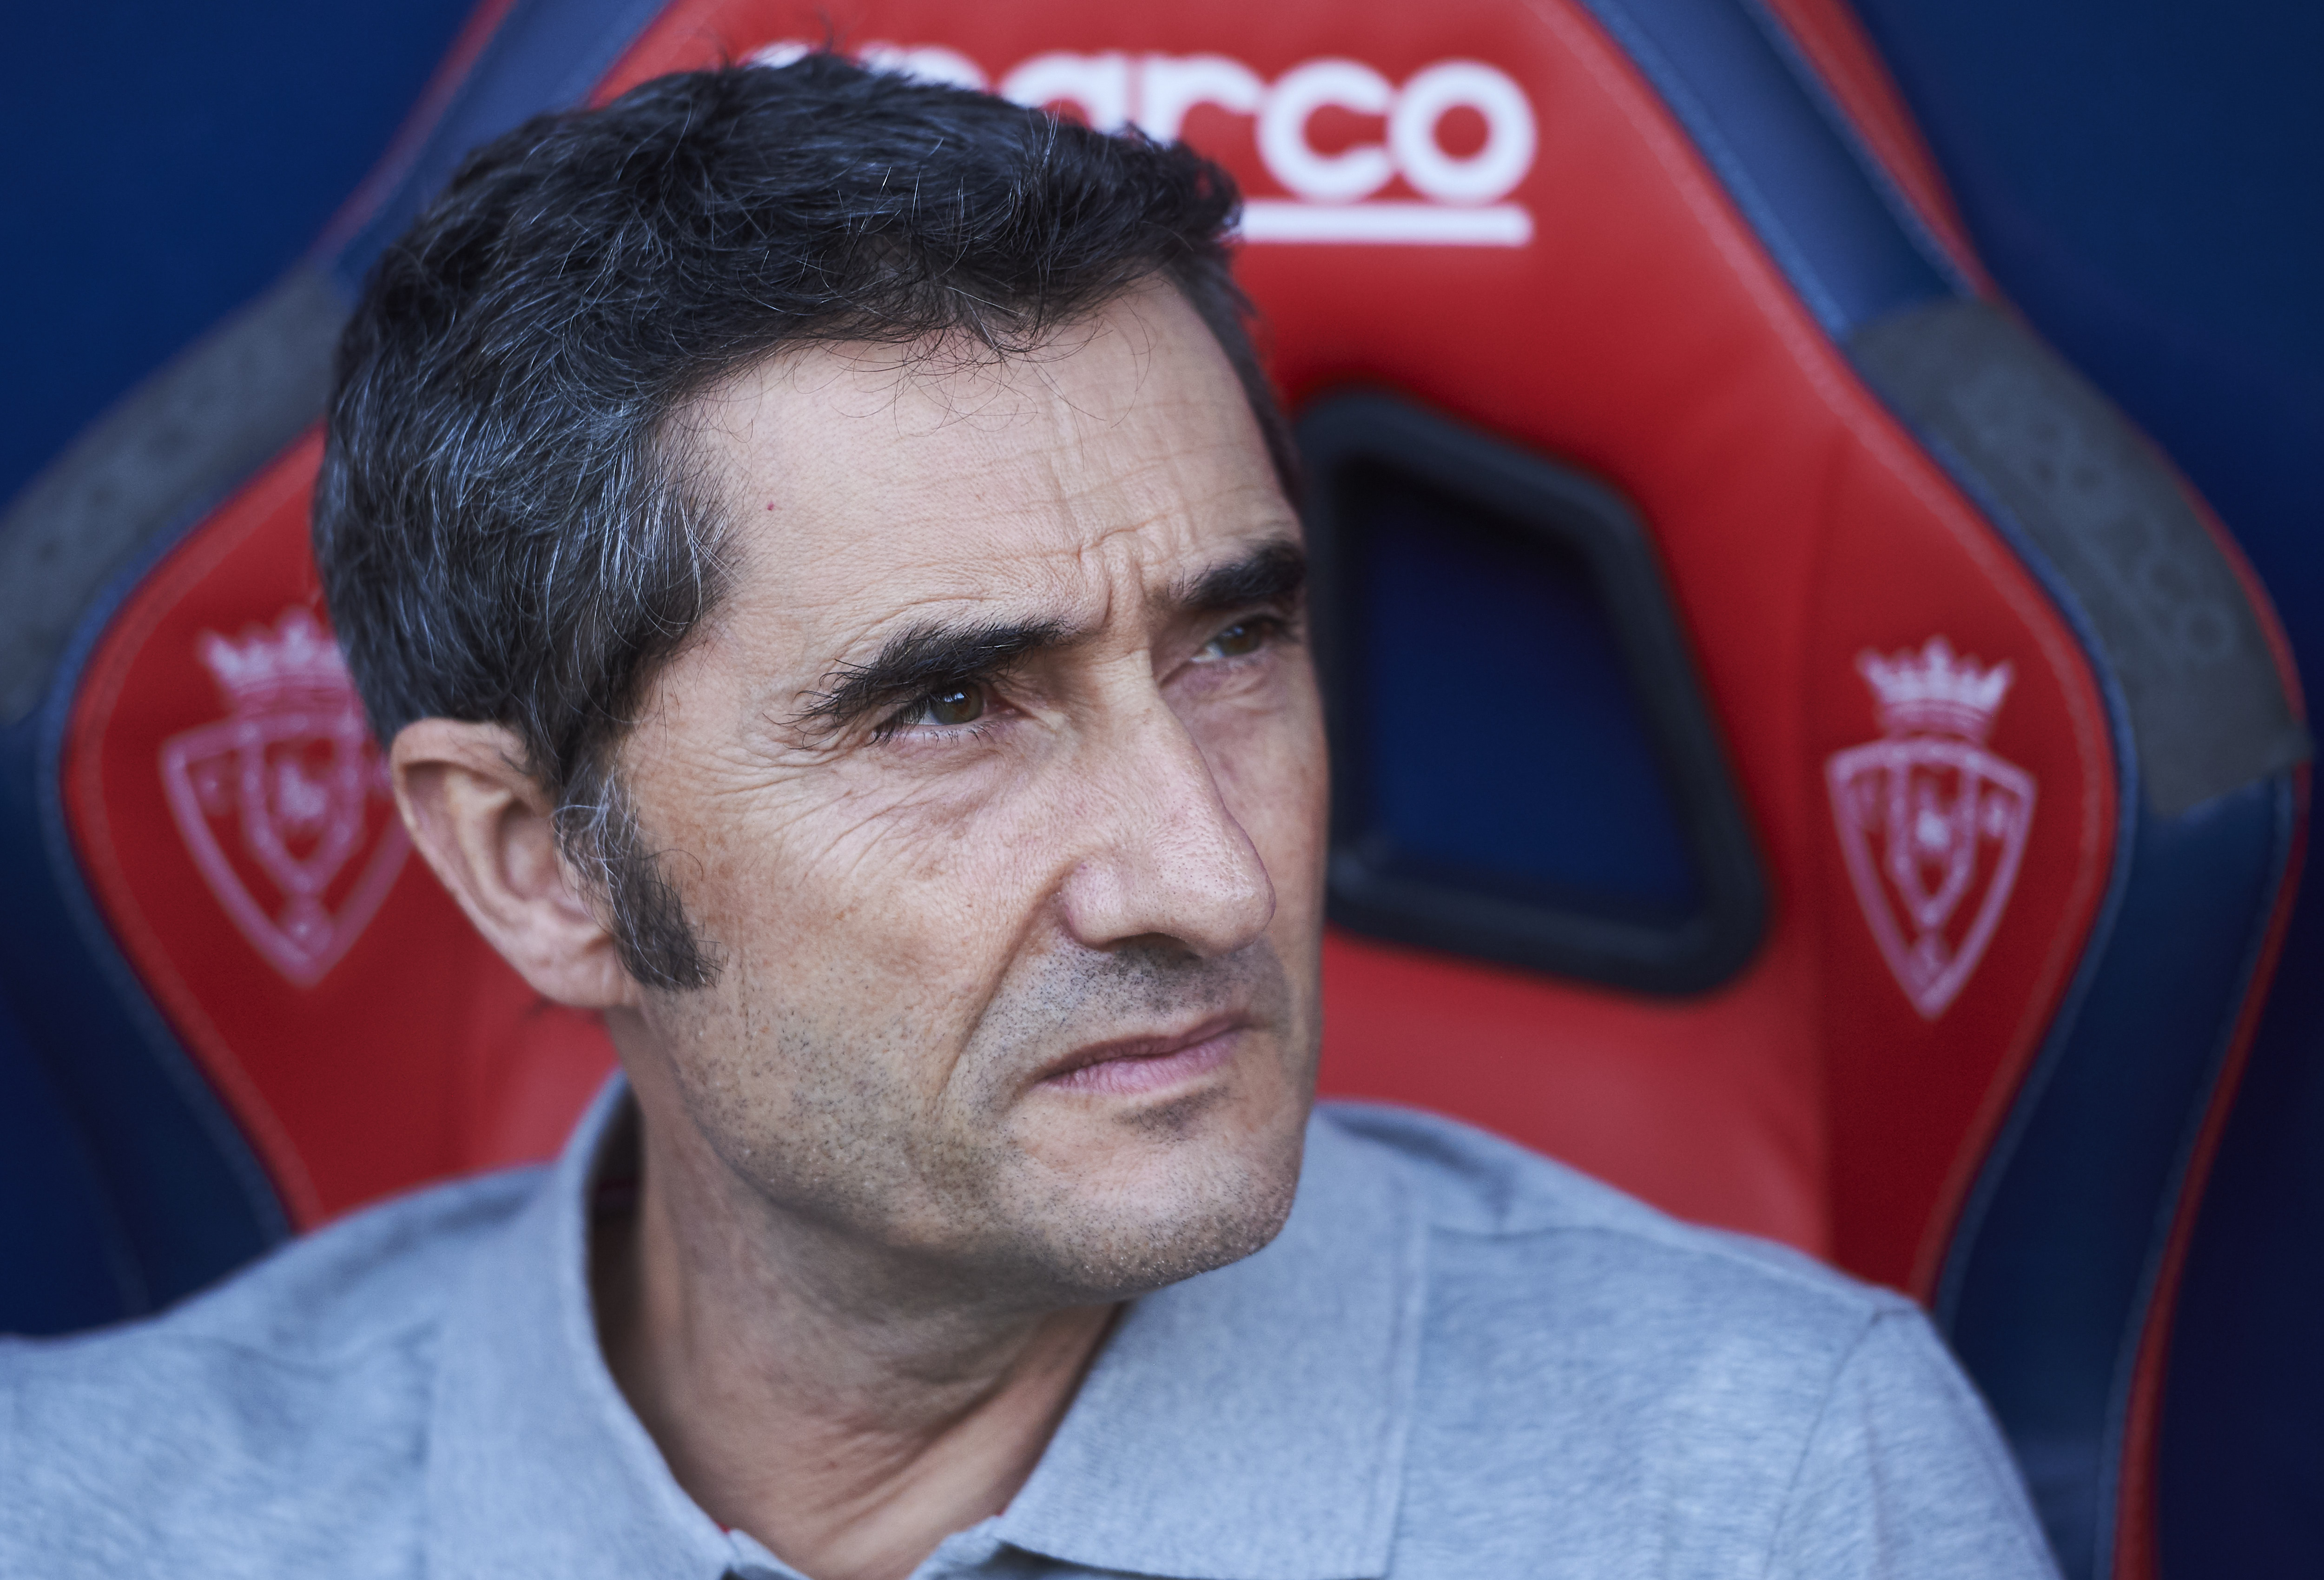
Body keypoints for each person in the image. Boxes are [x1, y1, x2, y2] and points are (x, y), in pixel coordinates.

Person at [0, 55, 2057, 1580]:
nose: (1212, 876)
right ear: (537, 862)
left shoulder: (1764, 1493)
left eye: (1232, 641)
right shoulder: (83, 1519)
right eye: (948, 706)